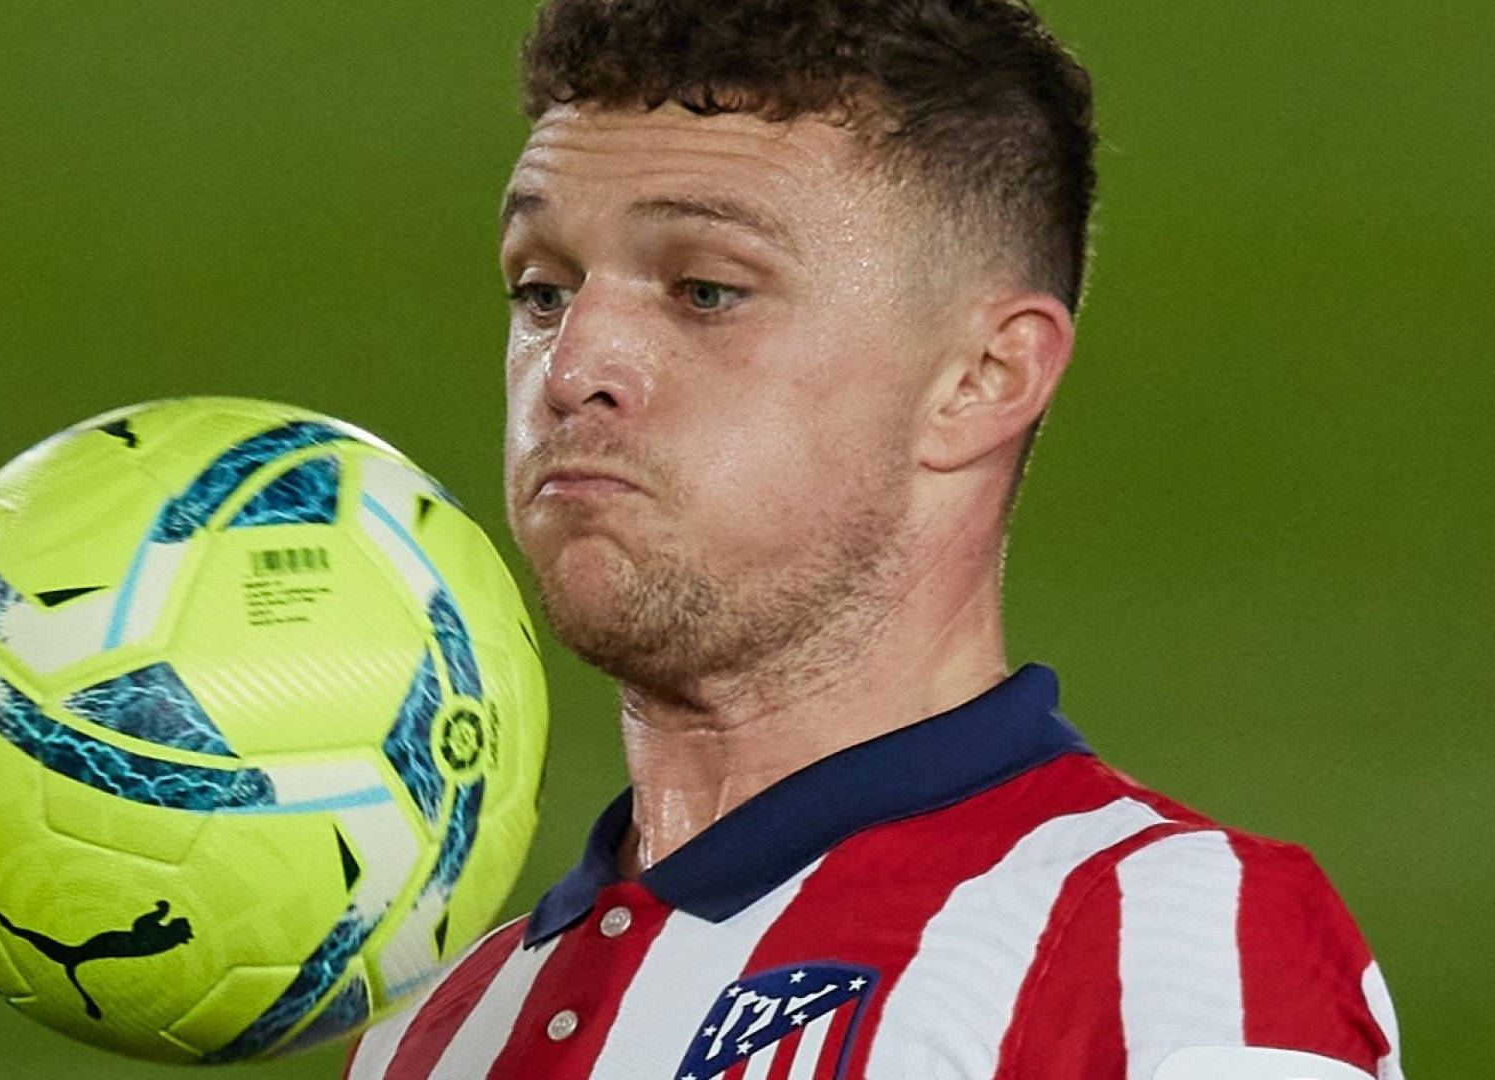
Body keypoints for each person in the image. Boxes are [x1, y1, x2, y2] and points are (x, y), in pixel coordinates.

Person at [348, 1, 1404, 1077]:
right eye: (543, 290)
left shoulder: (1163, 945)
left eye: (706, 290)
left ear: (979, 380)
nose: (573, 372)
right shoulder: (430, 1033)